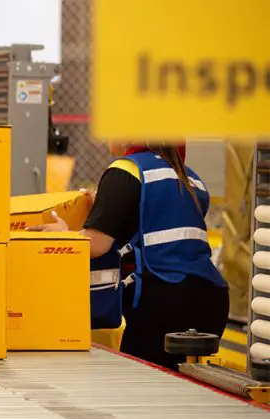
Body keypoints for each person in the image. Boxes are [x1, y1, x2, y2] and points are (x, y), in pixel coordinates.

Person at [33, 142, 229, 371]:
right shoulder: (189, 177)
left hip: (163, 300)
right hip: (212, 298)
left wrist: (63, 234)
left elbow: (96, 244)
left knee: (142, 386)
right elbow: (157, 217)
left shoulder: (125, 170)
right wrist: (104, 205)